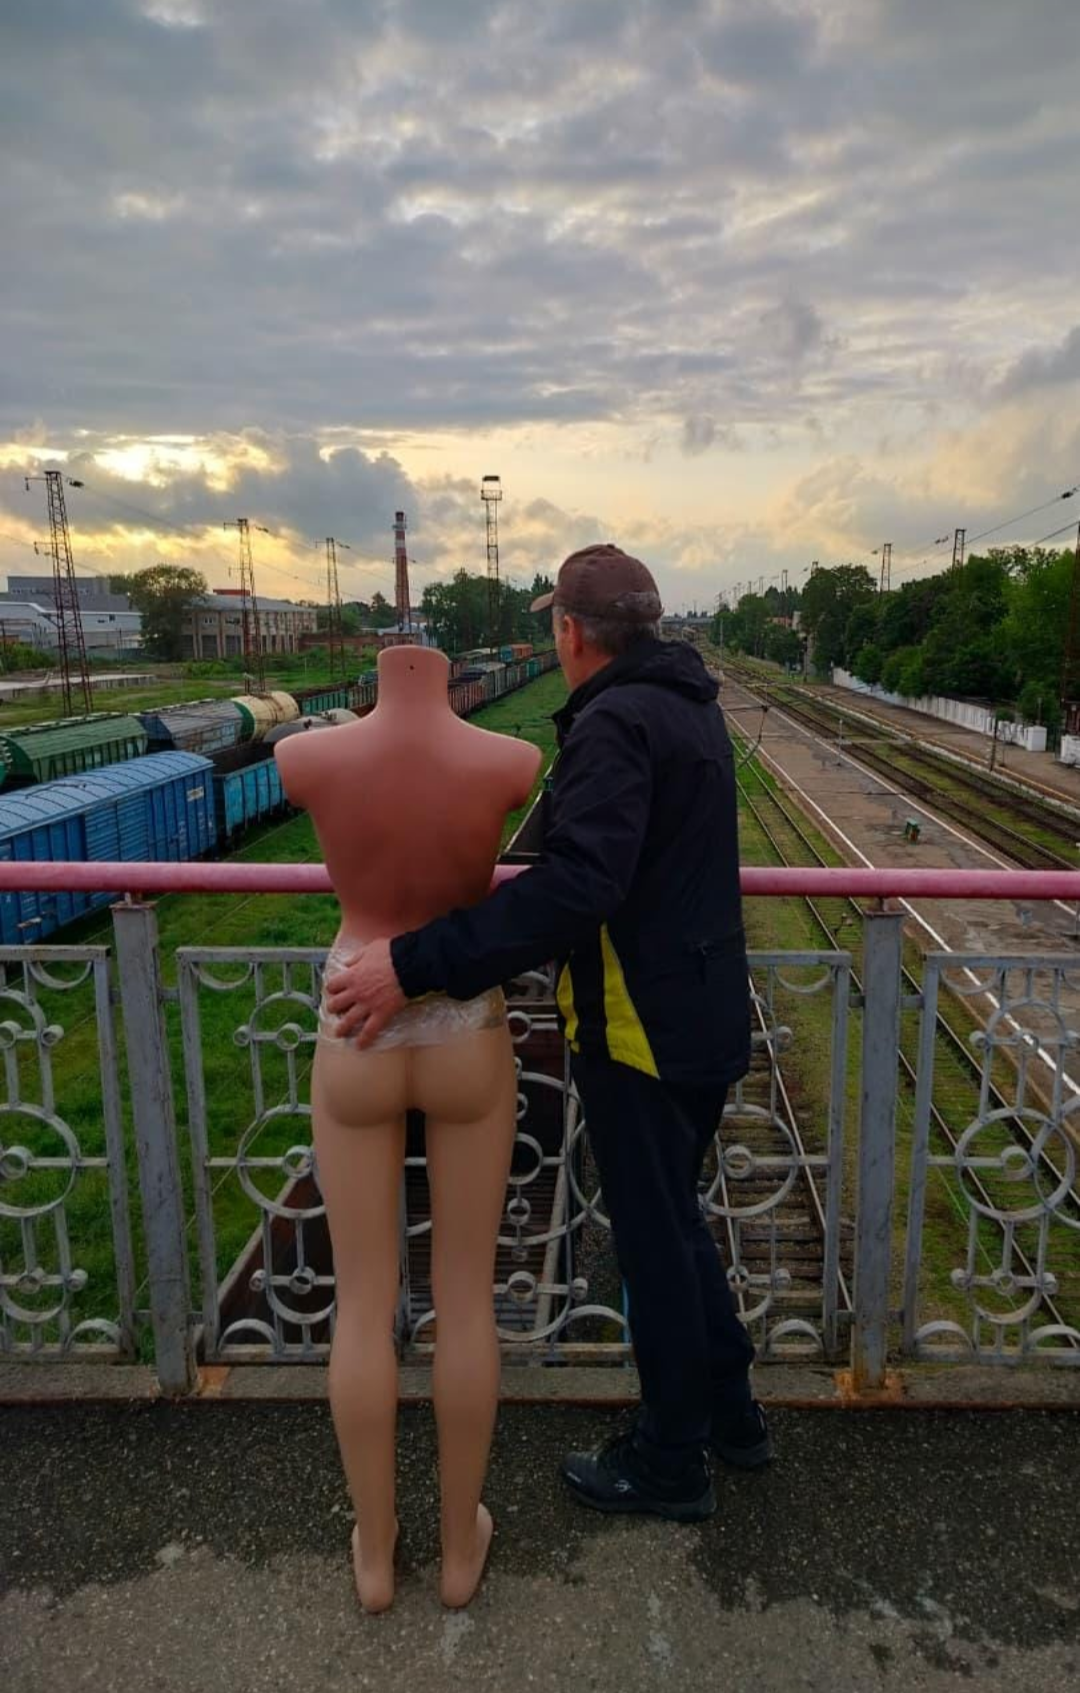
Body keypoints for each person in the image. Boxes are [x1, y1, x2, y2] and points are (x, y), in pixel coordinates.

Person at [326, 544, 770, 1524]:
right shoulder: (687, 701)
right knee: (678, 1224)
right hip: (698, 1005)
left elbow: (578, 887)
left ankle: (671, 1459)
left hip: (640, 1026)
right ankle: (732, 1415)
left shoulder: (616, 722)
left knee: (653, 1245)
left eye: (555, 625)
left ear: (570, 632)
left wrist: (414, 962)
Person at [276, 645, 540, 1611]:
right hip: (465, 1024)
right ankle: (461, 1548)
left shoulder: (309, 759)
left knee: (361, 1303)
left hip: (356, 1021)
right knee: (465, 1301)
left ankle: (377, 1554)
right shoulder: (507, 762)